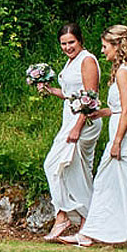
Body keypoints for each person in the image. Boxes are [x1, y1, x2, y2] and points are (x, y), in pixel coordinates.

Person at [60, 25, 127, 252]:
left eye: (105, 46)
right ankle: (90, 233)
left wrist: (117, 142)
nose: (102, 51)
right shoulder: (125, 69)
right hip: (122, 133)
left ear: (117, 46)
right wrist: (100, 112)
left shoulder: (124, 72)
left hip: (126, 138)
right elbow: (119, 108)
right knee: (104, 184)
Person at [38, 23, 102, 240]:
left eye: (71, 42)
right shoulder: (71, 61)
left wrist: (77, 126)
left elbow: (90, 97)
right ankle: (86, 225)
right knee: (78, 173)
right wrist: (48, 89)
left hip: (83, 122)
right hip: (71, 118)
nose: (67, 47)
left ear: (80, 40)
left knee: (54, 165)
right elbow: (70, 94)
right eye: (63, 44)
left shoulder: (87, 60)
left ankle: (63, 215)